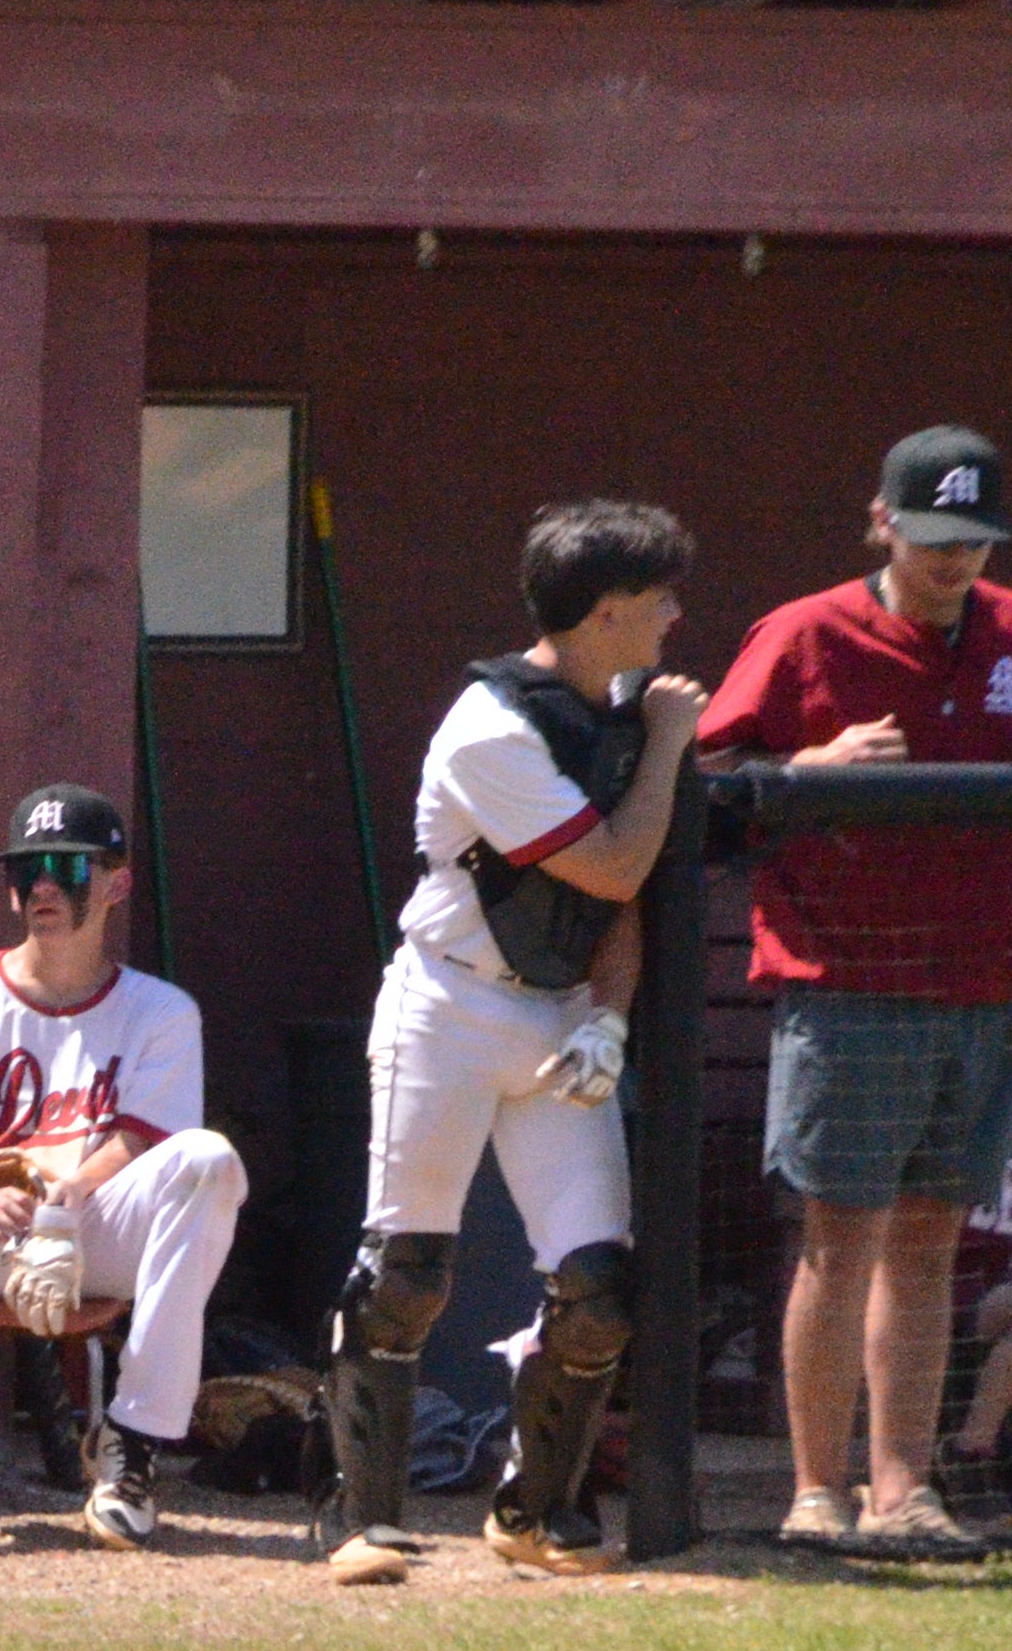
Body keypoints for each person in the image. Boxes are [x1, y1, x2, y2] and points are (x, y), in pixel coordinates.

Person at [321, 501, 704, 1587]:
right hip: (446, 1005)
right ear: (603, 612)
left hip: (556, 1010)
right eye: (656, 598)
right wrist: (668, 744)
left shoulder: (613, 710)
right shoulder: (490, 727)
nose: (673, 615)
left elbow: (614, 915)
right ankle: (362, 1519)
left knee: (597, 1291)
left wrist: (609, 1017)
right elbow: (617, 865)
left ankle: (531, 1510)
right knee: (405, 1273)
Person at [692, 425, 1012, 1555]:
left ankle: (902, 1492)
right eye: (929, 540)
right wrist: (805, 773)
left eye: (970, 543)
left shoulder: (1011, 629)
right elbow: (698, 777)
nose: (949, 564)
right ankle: (813, 1492)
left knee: (928, 1240)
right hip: (847, 983)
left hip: (983, 986)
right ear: (879, 523)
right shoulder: (802, 632)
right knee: (837, 1237)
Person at [0, 783, 246, 1552]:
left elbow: (145, 1143)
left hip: (99, 1230)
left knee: (207, 1160)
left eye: (66, 865)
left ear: (117, 883)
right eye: (26, 869)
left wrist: (68, 1199)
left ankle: (132, 1445)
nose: (42, 886)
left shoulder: (161, 1011)